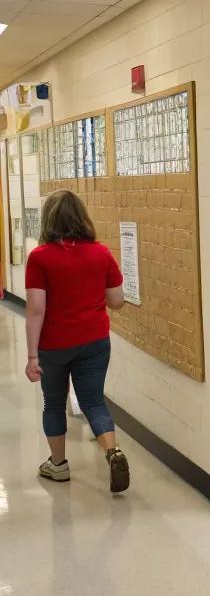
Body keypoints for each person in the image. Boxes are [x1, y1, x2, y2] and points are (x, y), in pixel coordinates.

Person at [24, 189, 130, 493]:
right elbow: (117, 300)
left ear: (48, 220)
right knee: (93, 401)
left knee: (54, 402)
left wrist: (32, 357)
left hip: (54, 346)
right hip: (95, 341)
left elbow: (35, 309)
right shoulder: (101, 253)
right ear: (82, 218)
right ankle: (113, 451)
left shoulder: (40, 258)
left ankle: (58, 466)